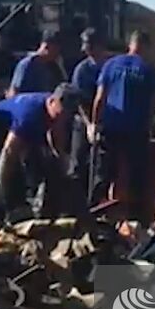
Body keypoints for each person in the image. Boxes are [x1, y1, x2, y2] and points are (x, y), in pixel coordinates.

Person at [0, 84, 80, 227]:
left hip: (16, 132)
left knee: (42, 164)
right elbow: (9, 152)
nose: (63, 117)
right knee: (3, 175)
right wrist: (7, 184)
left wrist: (60, 161)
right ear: (53, 101)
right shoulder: (29, 115)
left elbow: (56, 133)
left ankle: (40, 210)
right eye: (60, 114)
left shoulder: (56, 111)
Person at [89, 30, 155, 218]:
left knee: (105, 174)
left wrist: (94, 123)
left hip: (111, 128)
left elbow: (99, 98)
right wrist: (150, 127)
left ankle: (98, 216)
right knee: (132, 174)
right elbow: (152, 105)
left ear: (130, 44)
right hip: (136, 131)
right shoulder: (147, 70)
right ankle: (130, 218)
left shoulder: (111, 65)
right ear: (145, 47)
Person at [68, 27, 110, 193]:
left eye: (88, 45)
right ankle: (74, 202)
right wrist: (89, 125)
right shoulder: (82, 70)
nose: (85, 49)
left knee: (102, 164)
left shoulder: (110, 66)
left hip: (106, 122)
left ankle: (98, 200)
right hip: (83, 120)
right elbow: (78, 100)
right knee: (78, 162)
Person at [8, 30, 63, 96]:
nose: (57, 54)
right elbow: (13, 92)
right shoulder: (26, 65)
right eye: (55, 49)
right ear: (46, 47)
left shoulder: (51, 67)